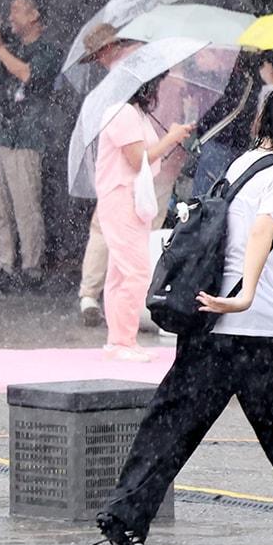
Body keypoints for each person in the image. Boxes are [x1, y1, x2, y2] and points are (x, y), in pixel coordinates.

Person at [97, 87, 273, 545]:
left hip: (209, 325)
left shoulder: (242, 165)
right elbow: (260, 231)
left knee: (171, 427)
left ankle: (125, 514)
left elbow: (236, 240)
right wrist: (246, 295)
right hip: (261, 333)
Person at [92, 71, 194, 361]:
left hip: (133, 199)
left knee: (120, 271)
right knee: (136, 270)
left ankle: (119, 339)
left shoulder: (136, 114)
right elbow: (138, 159)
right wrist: (172, 138)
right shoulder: (121, 113)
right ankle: (123, 340)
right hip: (121, 196)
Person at [0, 0, 63, 291]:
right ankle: (3, 264)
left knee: (26, 206)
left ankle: (31, 267)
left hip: (27, 136)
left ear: (34, 16)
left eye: (17, 10)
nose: (10, 16)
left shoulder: (49, 51)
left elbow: (27, 74)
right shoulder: (8, 46)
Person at [75, 24, 145, 325]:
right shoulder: (145, 64)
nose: (99, 62)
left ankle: (94, 295)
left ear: (106, 49)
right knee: (134, 237)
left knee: (106, 232)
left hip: (124, 170)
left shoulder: (121, 79)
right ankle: (128, 303)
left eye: (98, 56)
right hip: (142, 165)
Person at [192, 53, 264, 196]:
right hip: (228, 146)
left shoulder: (235, 80)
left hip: (220, 145)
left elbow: (219, 113)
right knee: (215, 199)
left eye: (203, 57)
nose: (199, 59)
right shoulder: (240, 79)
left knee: (204, 199)